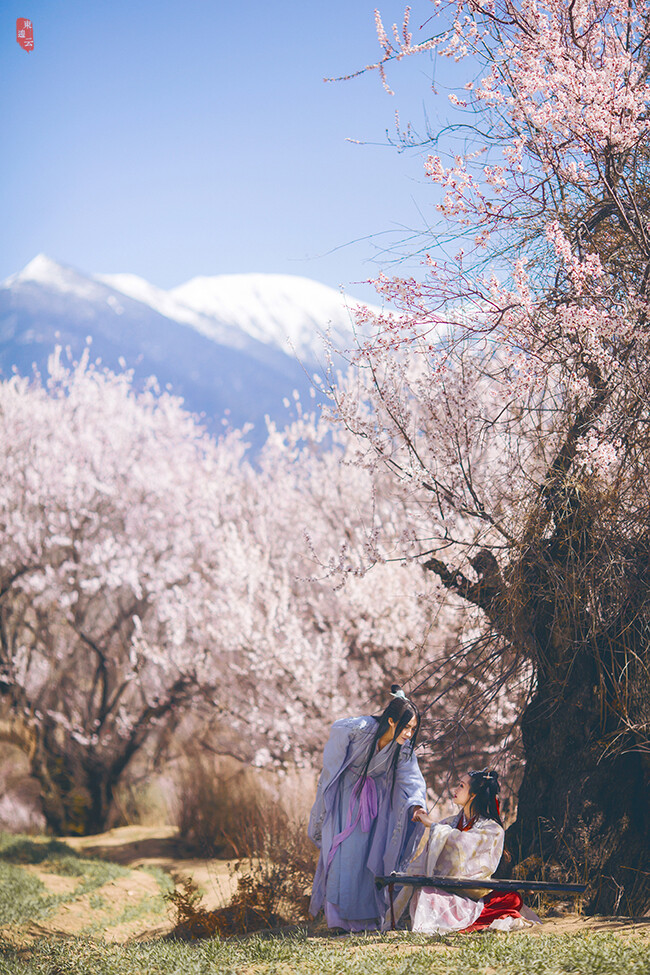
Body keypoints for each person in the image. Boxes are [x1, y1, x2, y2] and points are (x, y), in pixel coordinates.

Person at [308, 684, 427, 931]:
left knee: (367, 857)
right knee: (343, 855)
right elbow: (334, 753)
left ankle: (366, 919)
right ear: (391, 722)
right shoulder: (358, 730)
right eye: (406, 727)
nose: (408, 733)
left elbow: (410, 777)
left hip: (375, 804)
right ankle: (338, 920)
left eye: (413, 729)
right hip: (346, 797)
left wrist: (416, 804)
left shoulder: (402, 749)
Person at [394, 769, 538, 933]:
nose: (455, 790)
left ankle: (468, 916)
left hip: (473, 894)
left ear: (474, 794)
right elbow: (429, 857)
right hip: (445, 890)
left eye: (461, 786)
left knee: (511, 899)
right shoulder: (448, 823)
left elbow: (464, 845)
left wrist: (433, 826)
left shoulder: (493, 829)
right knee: (424, 894)